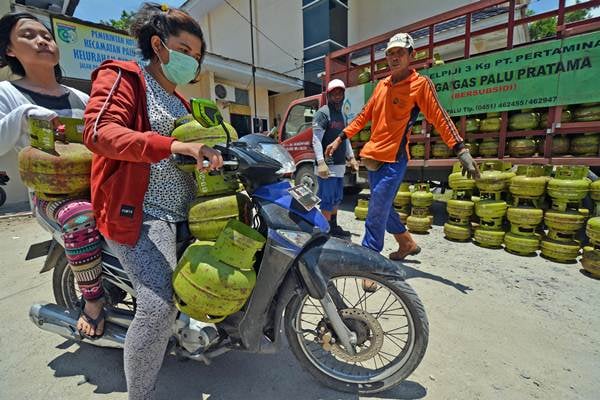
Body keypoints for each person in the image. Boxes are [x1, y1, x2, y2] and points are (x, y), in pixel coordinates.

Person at [81, 3, 222, 399]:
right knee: (159, 307)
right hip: (142, 213)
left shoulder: (181, 100)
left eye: (197, 55)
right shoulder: (124, 76)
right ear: (158, 45)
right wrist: (173, 143)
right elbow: (99, 132)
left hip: (186, 211)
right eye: (184, 49)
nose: (191, 60)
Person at [326, 32, 479, 266]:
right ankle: (406, 242)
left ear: (411, 55)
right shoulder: (381, 86)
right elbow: (363, 116)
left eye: (400, 53)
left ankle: (371, 262)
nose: (394, 58)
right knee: (383, 206)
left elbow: (439, 116)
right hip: (373, 158)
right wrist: (340, 138)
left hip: (394, 159)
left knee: (376, 209)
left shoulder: (420, 85)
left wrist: (460, 149)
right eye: (390, 54)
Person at [0, 12, 106, 337]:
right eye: (29, 36)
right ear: (10, 50)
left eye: (46, 35)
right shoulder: (7, 93)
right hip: (52, 197)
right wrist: (24, 114)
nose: (43, 41)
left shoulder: (80, 97)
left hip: (95, 186)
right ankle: (93, 301)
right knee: (80, 217)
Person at [312, 78, 358, 238]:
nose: (337, 96)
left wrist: (351, 157)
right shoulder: (322, 114)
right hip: (327, 165)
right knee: (327, 199)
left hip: (339, 165)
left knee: (337, 198)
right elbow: (316, 139)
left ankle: (333, 226)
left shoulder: (343, 115)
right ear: (328, 95)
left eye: (340, 92)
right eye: (334, 93)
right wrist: (321, 162)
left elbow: (345, 138)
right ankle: (324, 232)